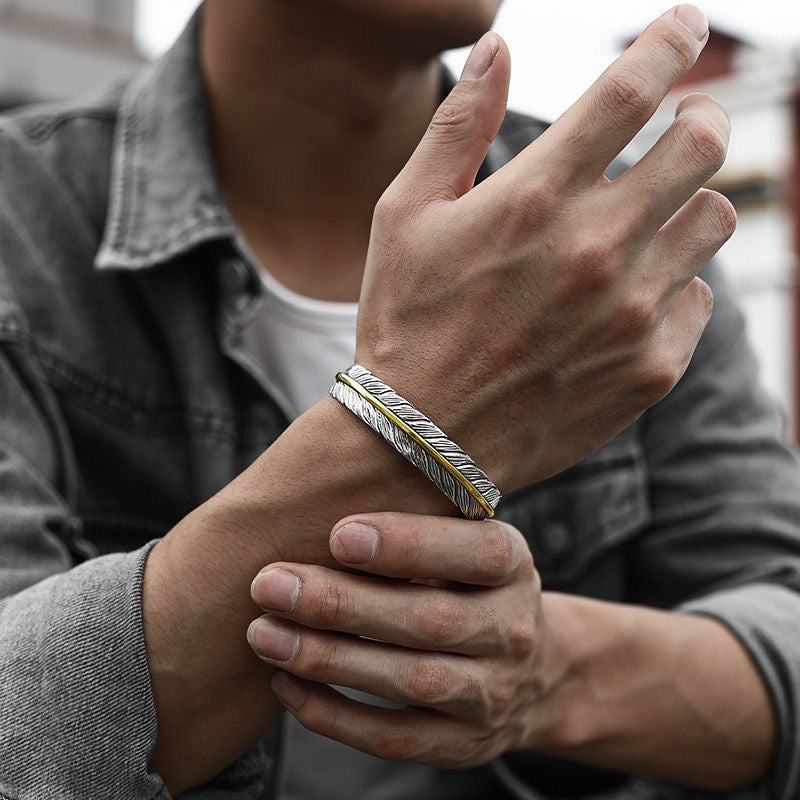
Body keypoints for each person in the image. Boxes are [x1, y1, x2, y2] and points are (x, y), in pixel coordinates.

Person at [0, 1, 798, 798]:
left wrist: (546, 668)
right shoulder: (22, 220)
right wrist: (419, 413)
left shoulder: (618, 245)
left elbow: (783, 633)